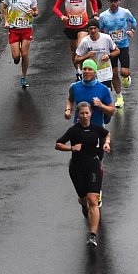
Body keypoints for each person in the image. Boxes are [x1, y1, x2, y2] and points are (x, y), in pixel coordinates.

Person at [56, 100, 111, 249]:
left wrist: (107, 143)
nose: (85, 116)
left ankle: (92, 235)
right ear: (78, 115)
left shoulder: (96, 128)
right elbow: (58, 144)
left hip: (94, 165)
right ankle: (83, 206)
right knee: (84, 200)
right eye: (82, 113)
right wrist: (71, 148)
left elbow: (107, 134)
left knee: (93, 199)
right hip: (76, 168)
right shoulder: (74, 130)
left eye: (87, 113)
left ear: (91, 114)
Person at [53, 0, 99, 79]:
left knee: (81, 46)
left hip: (83, 24)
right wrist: (62, 16)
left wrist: (95, 13)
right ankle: (77, 70)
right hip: (70, 26)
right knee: (74, 51)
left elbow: (93, 1)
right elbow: (55, 8)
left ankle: (86, 70)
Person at [0, 0, 39, 87]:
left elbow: (36, 11)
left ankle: (23, 77)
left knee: (25, 53)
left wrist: (34, 13)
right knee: (16, 56)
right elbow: (3, 7)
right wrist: (6, 21)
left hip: (26, 28)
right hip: (14, 29)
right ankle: (16, 58)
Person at [75, 18, 123, 107]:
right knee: (93, 98)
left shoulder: (106, 38)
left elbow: (117, 51)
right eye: (90, 29)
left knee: (105, 96)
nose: (93, 31)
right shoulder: (85, 42)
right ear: (88, 30)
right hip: (91, 74)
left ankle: (106, 112)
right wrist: (87, 56)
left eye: (94, 28)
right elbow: (76, 59)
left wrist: (109, 56)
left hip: (104, 72)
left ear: (98, 29)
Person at [98, 0, 138, 90]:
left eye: (115, 1)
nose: (113, 3)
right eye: (111, 1)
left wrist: (132, 30)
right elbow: (100, 30)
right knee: (114, 73)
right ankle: (119, 96)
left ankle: (126, 76)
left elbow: (133, 21)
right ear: (108, 2)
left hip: (123, 45)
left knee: (124, 72)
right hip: (111, 47)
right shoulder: (103, 16)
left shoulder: (125, 12)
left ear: (119, 1)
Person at [65, 59, 115, 126]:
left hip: (97, 129)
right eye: (85, 69)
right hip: (78, 128)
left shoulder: (103, 89)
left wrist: (101, 105)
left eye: (90, 69)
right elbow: (70, 100)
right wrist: (68, 110)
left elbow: (111, 111)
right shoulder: (74, 87)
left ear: (95, 72)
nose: (87, 71)